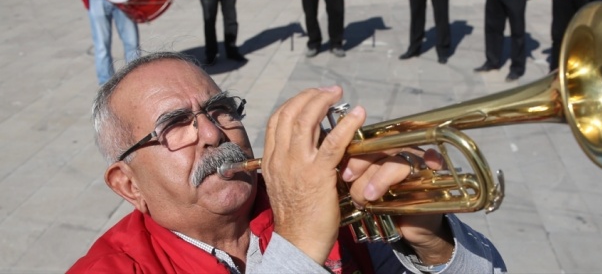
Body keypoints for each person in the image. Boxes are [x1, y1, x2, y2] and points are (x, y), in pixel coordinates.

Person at [68, 50, 507, 273]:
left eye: (220, 109)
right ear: (128, 185)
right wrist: (297, 243)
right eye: (175, 125)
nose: (213, 133)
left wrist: (431, 244)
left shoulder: (328, 204)